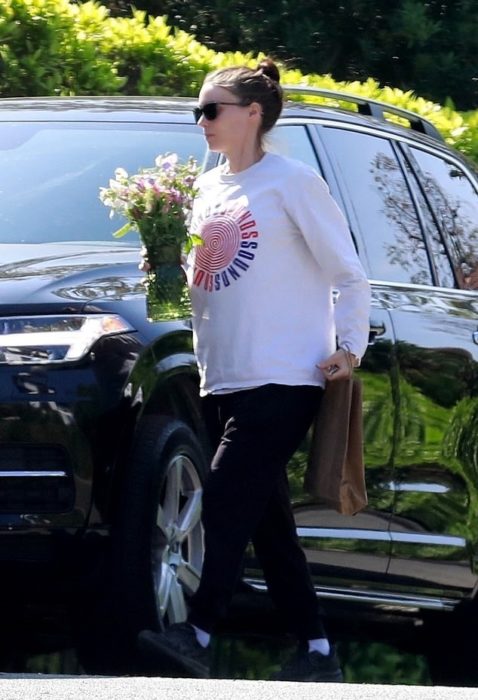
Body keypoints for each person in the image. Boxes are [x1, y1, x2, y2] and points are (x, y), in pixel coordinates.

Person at [138, 58, 371, 682]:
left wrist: (349, 346)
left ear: (252, 114)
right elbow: (203, 282)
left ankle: (201, 629)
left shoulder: (292, 182)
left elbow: (348, 271)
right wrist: (162, 264)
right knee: (266, 525)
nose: (202, 121)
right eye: (197, 111)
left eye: (211, 109)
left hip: (286, 375)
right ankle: (318, 651)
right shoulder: (208, 189)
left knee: (223, 499)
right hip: (223, 376)